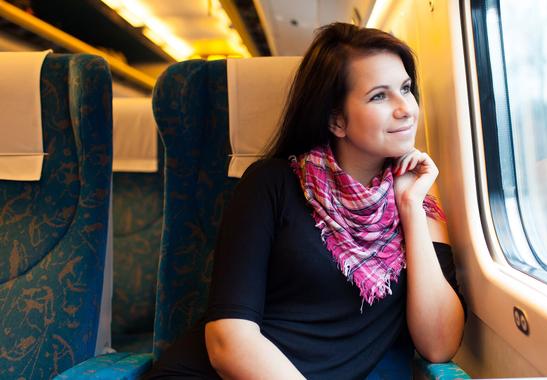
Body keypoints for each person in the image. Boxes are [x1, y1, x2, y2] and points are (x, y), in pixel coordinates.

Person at [145, 22, 465, 379]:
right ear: (336, 120)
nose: (405, 109)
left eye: (405, 89)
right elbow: (227, 340)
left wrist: (410, 207)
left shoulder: (418, 195)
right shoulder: (271, 183)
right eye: (379, 96)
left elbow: (439, 344)